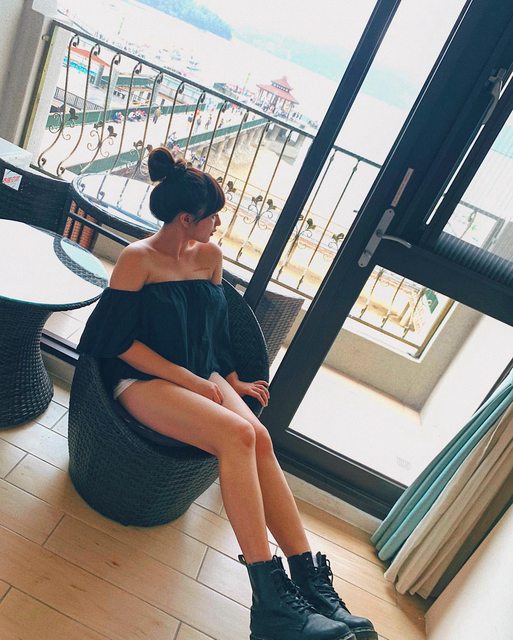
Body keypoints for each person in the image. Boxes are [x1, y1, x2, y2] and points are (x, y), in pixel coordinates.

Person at [77, 146, 377, 640]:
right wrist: (193, 381)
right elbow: (117, 341)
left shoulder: (210, 257)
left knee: (258, 437)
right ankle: (272, 604)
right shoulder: (137, 260)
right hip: (143, 378)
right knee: (237, 436)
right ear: (186, 219)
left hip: (202, 373)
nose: (218, 224)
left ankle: (311, 585)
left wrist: (229, 378)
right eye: (212, 216)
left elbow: (214, 328)